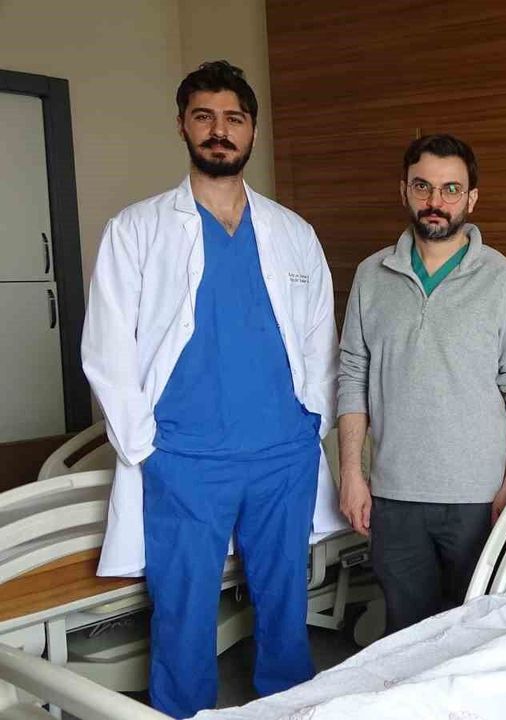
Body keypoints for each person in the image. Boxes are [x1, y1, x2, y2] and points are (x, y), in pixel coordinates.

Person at [81, 60, 343, 717]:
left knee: (285, 602)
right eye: (204, 117)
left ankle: (287, 704)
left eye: (233, 118)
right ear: (183, 126)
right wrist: (145, 447)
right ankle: (182, 710)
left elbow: (320, 336)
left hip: (283, 453)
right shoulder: (137, 230)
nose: (219, 130)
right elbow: (106, 349)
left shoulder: (292, 232)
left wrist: (312, 423)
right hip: (185, 457)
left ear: (252, 129)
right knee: (182, 606)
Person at [336, 134, 506, 635]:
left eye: (451, 189)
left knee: (473, 636)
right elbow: (352, 377)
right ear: (404, 191)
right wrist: (352, 473)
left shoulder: (504, 281)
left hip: (478, 499)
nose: (436, 200)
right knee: (405, 637)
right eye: (423, 186)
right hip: (394, 495)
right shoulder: (371, 276)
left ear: (472, 198)